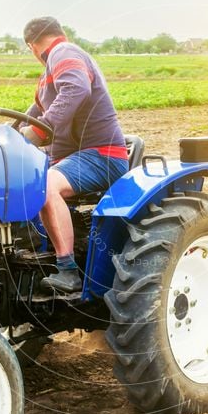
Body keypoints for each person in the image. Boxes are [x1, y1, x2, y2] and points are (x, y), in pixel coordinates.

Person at [21, 16, 128, 293]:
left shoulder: (63, 52)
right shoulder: (47, 76)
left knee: (44, 186)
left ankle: (67, 270)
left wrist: (40, 132)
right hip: (78, 159)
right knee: (19, 181)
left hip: (101, 156)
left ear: (32, 46)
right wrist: (6, 135)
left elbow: (75, 88)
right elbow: (31, 117)